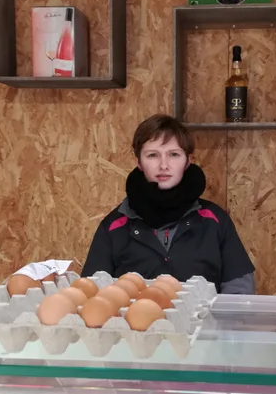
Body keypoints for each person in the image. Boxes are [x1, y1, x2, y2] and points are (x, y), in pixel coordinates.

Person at [81, 114, 255, 294]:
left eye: (173, 154)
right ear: (139, 163)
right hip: (135, 322)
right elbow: (93, 292)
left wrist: (219, 322)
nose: (164, 165)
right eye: (153, 155)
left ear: (188, 161)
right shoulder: (114, 226)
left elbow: (240, 290)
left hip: (204, 322)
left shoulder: (215, 220)